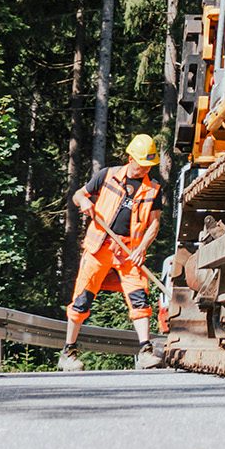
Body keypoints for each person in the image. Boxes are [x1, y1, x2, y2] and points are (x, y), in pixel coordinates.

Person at [61, 132, 165, 370]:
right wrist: (85, 202)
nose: (145, 169)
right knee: (82, 298)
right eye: (142, 164)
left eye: (149, 165)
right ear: (130, 158)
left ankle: (146, 351)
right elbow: (79, 195)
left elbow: (155, 223)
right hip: (99, 247)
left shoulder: (153, 189)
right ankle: (68, 353)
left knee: (140, 297)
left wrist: (141, 248)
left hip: (129, 252)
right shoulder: (107, 175)